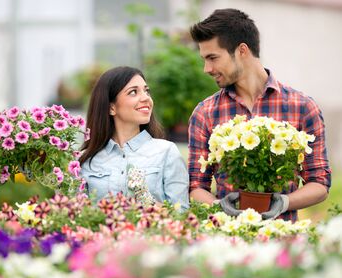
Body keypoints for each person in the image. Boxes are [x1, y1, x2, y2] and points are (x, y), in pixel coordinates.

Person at [188, 8, 331, 220]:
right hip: (226, 243)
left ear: (242, 51)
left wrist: (284, 202)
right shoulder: (205, 113)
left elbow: (319, 183)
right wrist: (219, 206)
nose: (206, 68)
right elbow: (195, 187)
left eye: (212, 58)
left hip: (283, 243)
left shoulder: (302, 107)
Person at [80, 66, 190, 211]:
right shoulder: (86, 160)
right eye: (133, 92)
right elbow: (74, 216)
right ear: (111, 107)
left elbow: (181, 214)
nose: (146, 98)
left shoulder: (167, 152)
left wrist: (148, 203)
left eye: (146, 91)